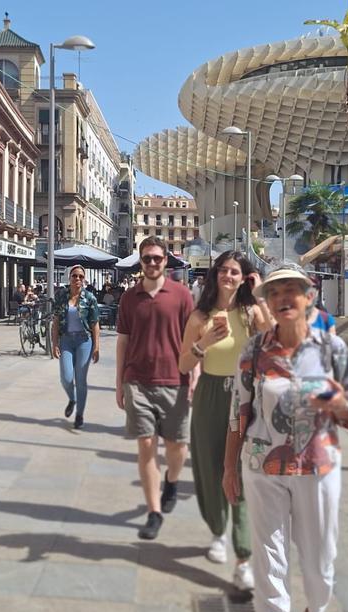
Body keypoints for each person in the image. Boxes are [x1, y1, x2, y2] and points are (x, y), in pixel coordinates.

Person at [223, 265, 348, 612]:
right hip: (262, 468)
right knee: (270, 567)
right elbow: (237, 414)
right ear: (266, 300)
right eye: (275, 291)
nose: (284, 297)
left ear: (309, 296)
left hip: (318, 467)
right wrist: (229, 467)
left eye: (292, 291)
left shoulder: (331, 348)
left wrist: (335, 401)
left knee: (319, 564)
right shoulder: (254, 351)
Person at [177, 251, 271, 588]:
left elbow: (277, 341)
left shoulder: (252, 312)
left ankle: (243, 556)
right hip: (210, 394)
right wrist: (203, 344)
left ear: (244, 277)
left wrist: (259, 293)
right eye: (224, 270)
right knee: (210, 466)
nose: (229, 276)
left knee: (242, 473)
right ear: (215, 274)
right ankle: (217, 531)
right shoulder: (200, 316)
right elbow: (183, 366)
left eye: (236, 272)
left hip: (246, 397)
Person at [116, 236, 194, 540]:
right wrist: (119, 382)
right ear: (140, 261)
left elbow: (192, 338)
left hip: (175, 380)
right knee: (146, 445)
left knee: (176, 447)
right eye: (146, 258)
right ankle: (153, 511)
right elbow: (122, 341)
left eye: (156, 259)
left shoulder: (182, 295)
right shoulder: (129, 298)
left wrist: (195, 372)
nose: (151, 263)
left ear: (165, 261)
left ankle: (172, 482)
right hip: (138, 380)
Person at [51, 264, 101, 429]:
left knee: (80, 380)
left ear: (84, 279)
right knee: (66, 377)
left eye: (80, 276)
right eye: (74, 276)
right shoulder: (61, 296)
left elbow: (95, 324)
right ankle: (72, 399)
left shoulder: (90, 298)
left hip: (84, 341)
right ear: (69, 278)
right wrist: (54, 343)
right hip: (66, 340)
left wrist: (96, 346)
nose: (77, 279)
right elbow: (56, 321)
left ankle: (79, 414)